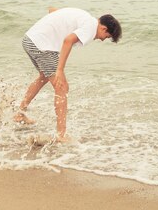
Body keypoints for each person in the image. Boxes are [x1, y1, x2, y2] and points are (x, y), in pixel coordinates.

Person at [14, 7, 122, 142]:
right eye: (106, 37)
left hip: (30, 40)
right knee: (62, 87)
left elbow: (53, 10)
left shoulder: (85, 17)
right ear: (104, 29)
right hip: (42, 45)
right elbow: (67, 41)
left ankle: (20, 113)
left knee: (44, 77)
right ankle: (61, 135)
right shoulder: (90, 28)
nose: (102, 40)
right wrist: (60, 69)